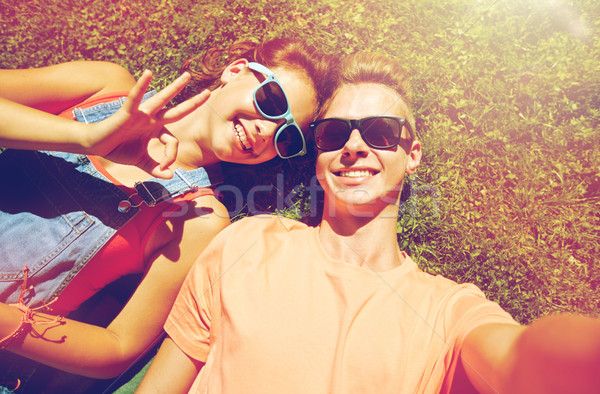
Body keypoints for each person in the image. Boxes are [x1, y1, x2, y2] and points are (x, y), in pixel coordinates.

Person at [139, 52, 600, 393]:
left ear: (412, 154)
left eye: (380, 133)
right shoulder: (245, 243)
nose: (354, 146)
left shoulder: (448, 310)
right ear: (318, 156)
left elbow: (521, 362)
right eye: (335, 133)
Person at [0, 38, 332, 390]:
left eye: (287, 137)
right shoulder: (105, 86)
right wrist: (85, 138)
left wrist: (7, 323)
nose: (267, 131)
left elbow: (118, 347)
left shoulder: (200, 217)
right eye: (271, 101)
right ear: (235, 71)